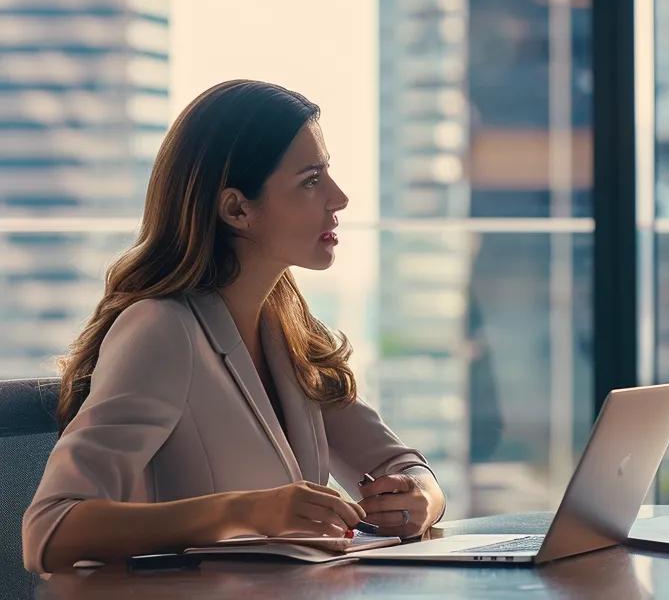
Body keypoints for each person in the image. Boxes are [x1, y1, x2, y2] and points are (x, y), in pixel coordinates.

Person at [21, 80, 446, 574]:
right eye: (311, 181)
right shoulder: (161, 329)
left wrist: (420, 499)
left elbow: (399, 465)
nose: (340, 197)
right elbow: (50, 531)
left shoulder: (289, 331)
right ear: (237, 209)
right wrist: (242, 512)